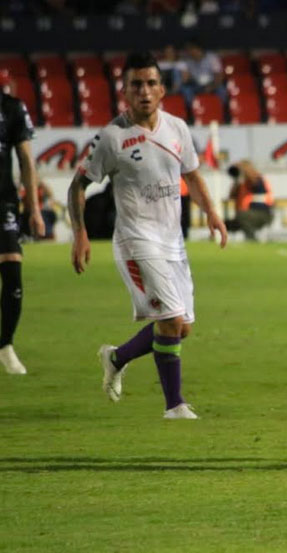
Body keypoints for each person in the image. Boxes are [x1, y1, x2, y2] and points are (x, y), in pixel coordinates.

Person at [68, 51, 228, 419]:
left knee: (181, 328)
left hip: (173, 242)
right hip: (136, 240)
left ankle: (116, 358)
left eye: (151, 83)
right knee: (170, 321)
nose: (144, 91)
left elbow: (192, 175)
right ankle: (175, 405)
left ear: (162, 89)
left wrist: (212, 213)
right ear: (124, 91)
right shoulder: (111, 137)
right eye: (136, 84)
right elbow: (78, 185)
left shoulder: (177, 128)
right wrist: (80, 234)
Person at [0, 87, 45, 375]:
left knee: (12, 266)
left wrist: (34, 209)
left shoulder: (11, 107)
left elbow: (26, 160)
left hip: (3, 201)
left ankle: (5, 344)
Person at [225, 160, 274, 241]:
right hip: (244, 216)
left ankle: (252, 239)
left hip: (263, 214)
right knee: (223, 224)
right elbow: (231, 196)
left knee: (242, 216)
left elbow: (253, 180)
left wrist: (244, 169)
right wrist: (236, 180)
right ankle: (215, 239)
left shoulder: (258, 179)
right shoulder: (241, 183)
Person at [179, 38, 228, 107]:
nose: (189, 52)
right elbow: (185, 79)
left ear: (198, 49)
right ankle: (192, 111)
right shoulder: (187, 60)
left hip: (212, 83)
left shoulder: (212, 58)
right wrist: (186, 76)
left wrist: (211, 87)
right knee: (186, 90)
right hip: (196, 85)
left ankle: (223, 110)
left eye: (191, 49)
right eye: (188, 50)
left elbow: (219, 76)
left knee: (222, 90)